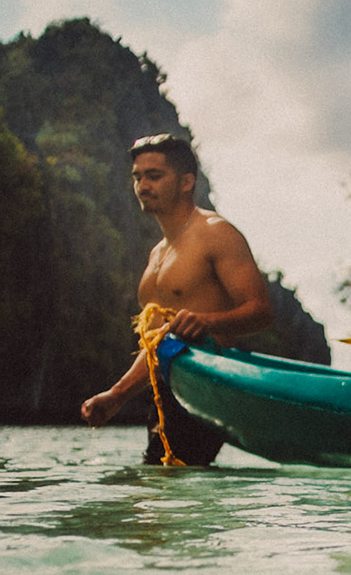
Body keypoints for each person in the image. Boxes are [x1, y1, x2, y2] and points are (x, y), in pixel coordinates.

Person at [80, 133, 273, 465]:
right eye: (137, 177)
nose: (143, 185)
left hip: (204, 387)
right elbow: (157, 343)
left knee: (170, 491)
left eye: (154, 176)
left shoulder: (216, 233)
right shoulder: (158, 254)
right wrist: (119, 393)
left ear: (186, 182)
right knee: (159, 490)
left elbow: (261, 311)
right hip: (166, 393)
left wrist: (208, 321)